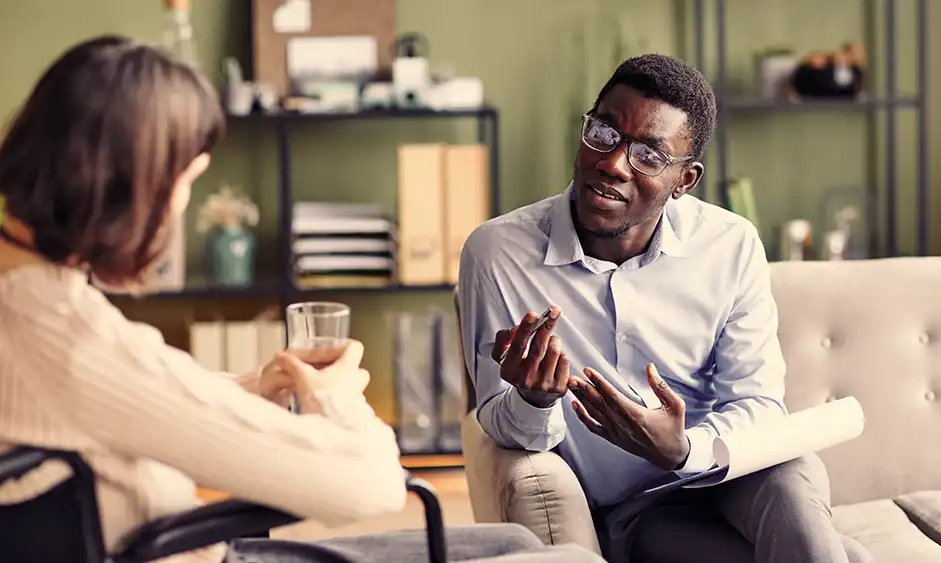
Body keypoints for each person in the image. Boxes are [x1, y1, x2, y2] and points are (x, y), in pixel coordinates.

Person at [0, 35, 605, 563]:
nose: (182, 207)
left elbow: (117, 403)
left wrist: (250, 389)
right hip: (190, 552)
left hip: (164, 538)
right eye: (186, 182)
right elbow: (370, 486)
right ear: (129, 192)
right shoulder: (63, 334)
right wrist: (334, 396)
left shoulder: (28, 296)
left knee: (525, 548)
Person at [458, 54, 874, 563]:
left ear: (686, 180)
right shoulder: (498, 253)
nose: (612, 164)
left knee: (791, 472)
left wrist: (682, 450)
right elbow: (493, 422)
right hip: (636, 513)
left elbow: (760, 405)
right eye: (604, 134)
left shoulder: (730, 243)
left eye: (649, 156)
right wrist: (532, 399)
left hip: (730, 476)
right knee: (841, 556)